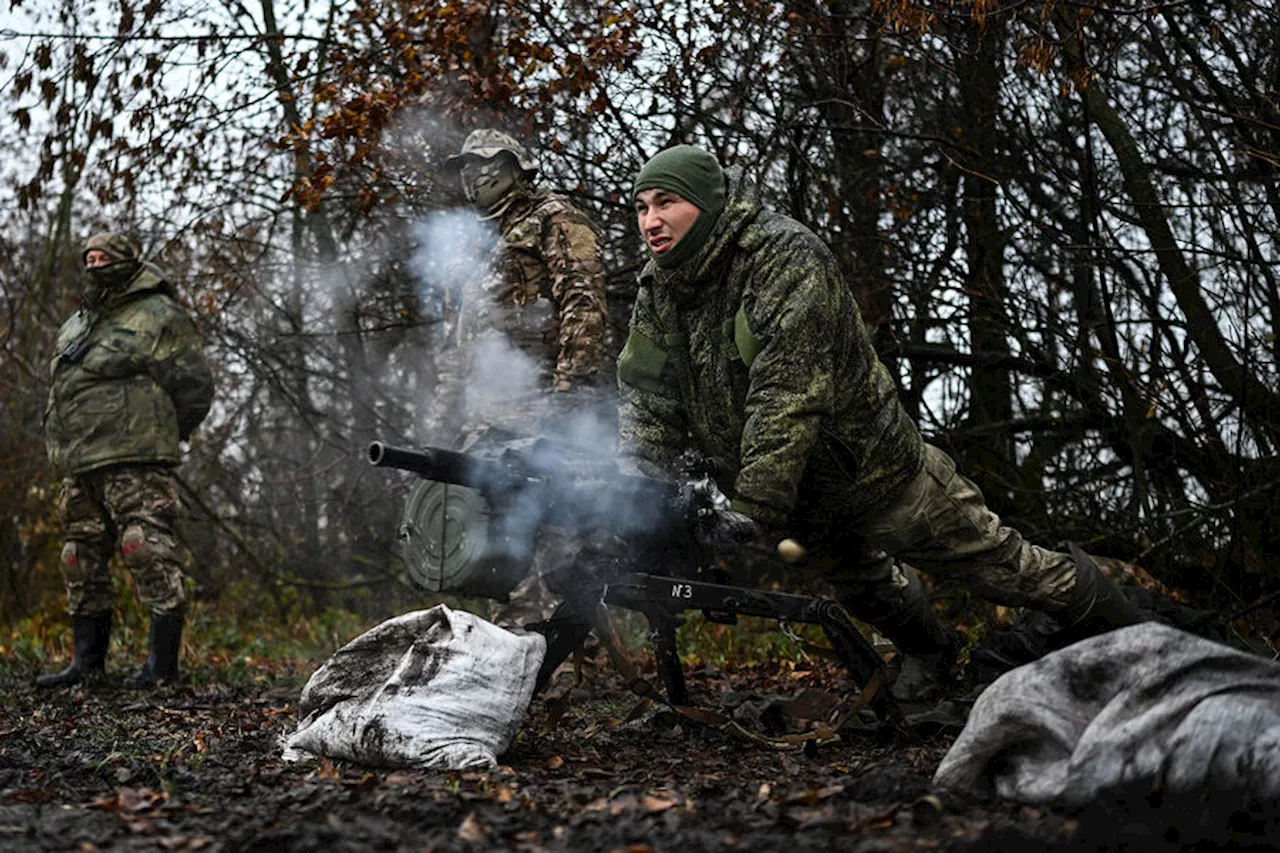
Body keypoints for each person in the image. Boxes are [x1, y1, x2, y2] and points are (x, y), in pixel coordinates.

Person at [617, 145, 1143, 699]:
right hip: (804, 496)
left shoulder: (784, 256)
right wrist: (634, 492)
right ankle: (931, 658)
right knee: (868, 593)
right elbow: (649, 400)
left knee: (1004, 569)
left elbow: (789, 391)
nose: (651, 221)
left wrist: (752, 506)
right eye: (640, 207)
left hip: (875, 472)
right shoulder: (662, 288)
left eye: (666, 202)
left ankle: (1141, 635)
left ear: (706, 203)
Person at [425, 128, 611, 625]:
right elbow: (453, 346)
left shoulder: (554, 218)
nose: (472, 174)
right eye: (464, 166)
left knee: (554, 536)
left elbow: (584, 306)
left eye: (484, 163)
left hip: (543, 408)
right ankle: (512, 657)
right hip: (486, 415)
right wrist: (444, 419)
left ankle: (571, 658)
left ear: (514, 166)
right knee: (490, 544)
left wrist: (569, 394)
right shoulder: (466, 243)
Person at [38, 232, 214, 689]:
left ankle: (160, 668)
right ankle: (86, 664)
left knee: (147, 549)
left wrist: (165, 430)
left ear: (127, 261)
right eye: (89, 259)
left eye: (105, 258)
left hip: (135, 456)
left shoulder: (158, 314)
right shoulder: (78, 322)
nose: (95, 266)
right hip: (79, 461)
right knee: (78, 557)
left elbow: (194, 383)